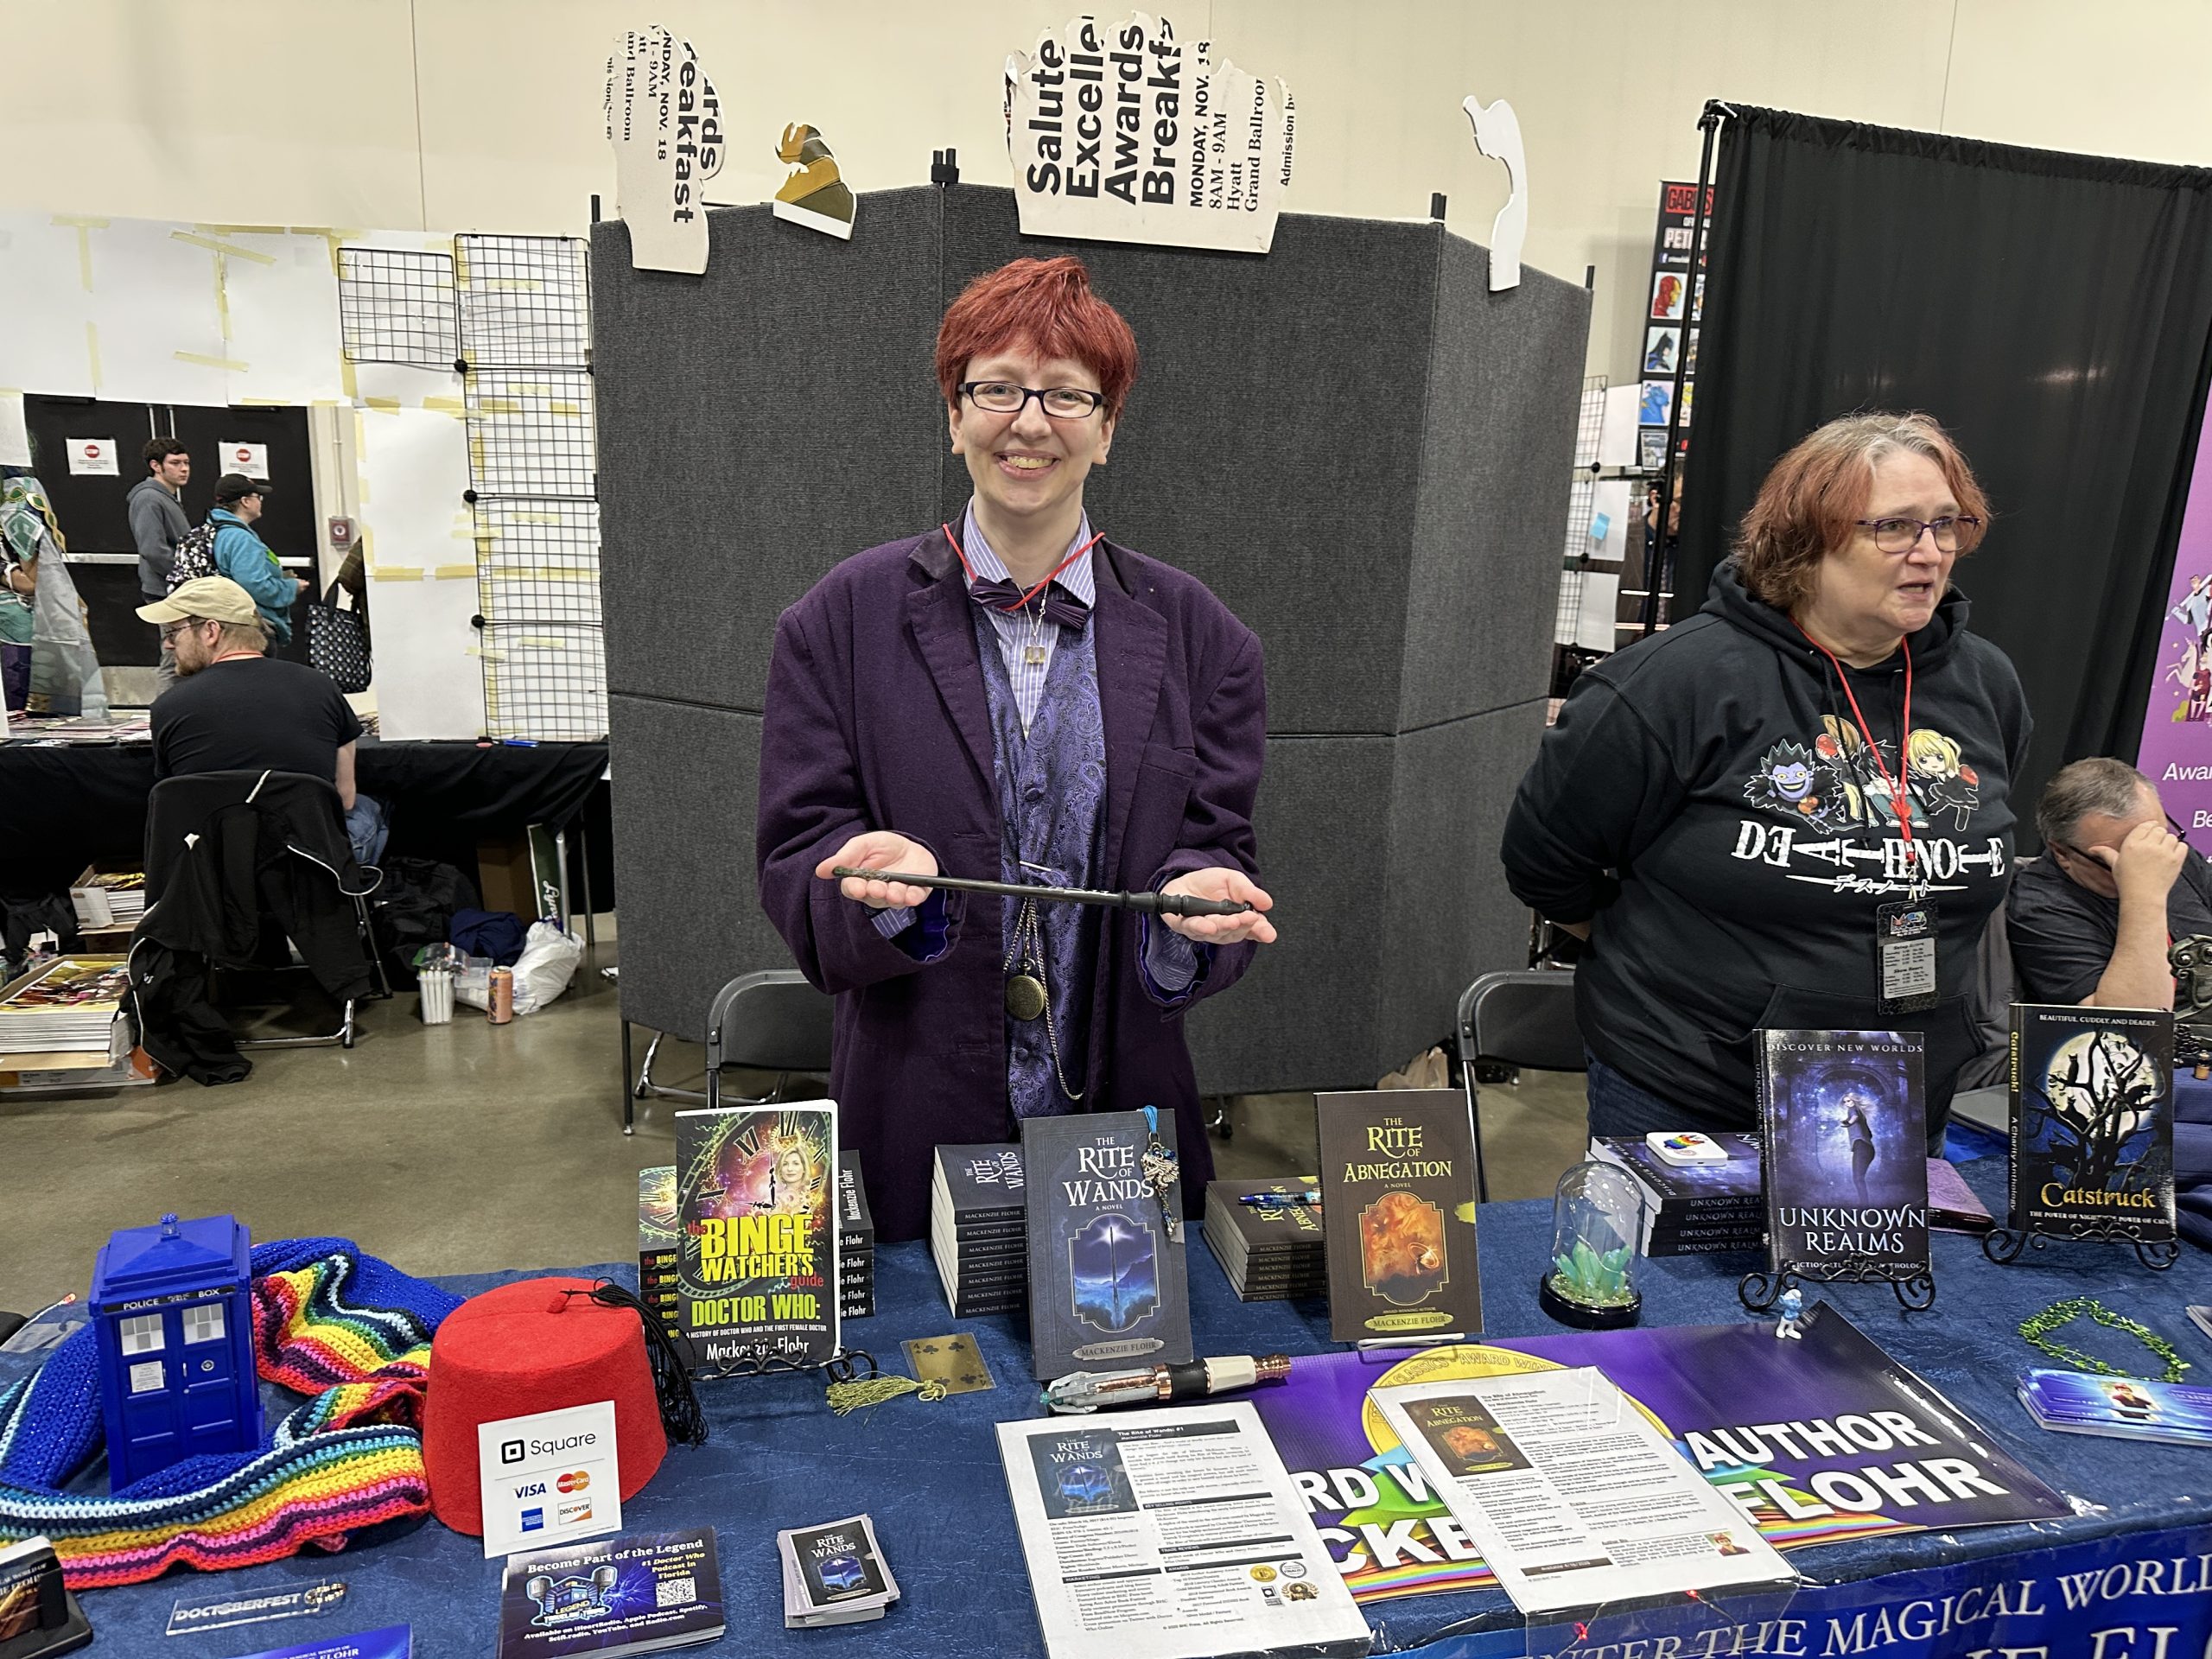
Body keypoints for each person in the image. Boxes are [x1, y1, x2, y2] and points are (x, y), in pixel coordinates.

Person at [756, 256, 1276, 1240]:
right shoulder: (838, 622)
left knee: (1123, 1324)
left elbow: (1215, 847)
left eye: (1067, 395)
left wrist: (1193, 907)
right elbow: (793, 858)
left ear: (1107, 429)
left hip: (1122, 1111)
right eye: (996, 388)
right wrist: (877, 890)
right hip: (912, 1102)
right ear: (954, 415)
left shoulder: (1205, 640)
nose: (1029, 423)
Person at [1501, 411, 2031, 1144]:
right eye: (1895, 527)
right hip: (1693, 1089)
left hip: (1899, 1092)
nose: (1930, 552)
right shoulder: (1674, 684)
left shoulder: (1986, 684)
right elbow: (1545, 862)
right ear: (1807, 540)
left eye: (1946, 524)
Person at [137, 576, 378, 862]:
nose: (168, 644)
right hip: (311, 865)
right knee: (370, 808)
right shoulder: (321, 687)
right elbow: (345, 799)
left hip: (212, 867)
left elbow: (177, 804)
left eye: (173, 632)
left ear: (211, 631)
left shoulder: (168, 706)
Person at [2007, 758, 2206, 1009]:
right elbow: (2133, 1022)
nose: (2153, 857)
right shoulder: (2041, 907)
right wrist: (2144, 896)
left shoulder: (2165, 851)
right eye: (2125, 858)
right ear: (2062, 853)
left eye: (2156, 836)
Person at [207, 474, 307, 648]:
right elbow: (255, 585)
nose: (260, 501)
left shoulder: (218, 530)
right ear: (245, 502)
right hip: (251, 628)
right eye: (258, 497)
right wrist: (291, 587)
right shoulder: (241, 538)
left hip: (228, 624)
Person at [131, 437, 193, 680]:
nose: (184, 469)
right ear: (156, 466)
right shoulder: (149, 498)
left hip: (175, 587)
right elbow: (153, 549)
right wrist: (187, 576)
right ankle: (166, 705)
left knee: (184, 657)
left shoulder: (165, 497)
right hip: (167, 589)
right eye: (175, 463)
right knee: (175, 659)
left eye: (186, 463)